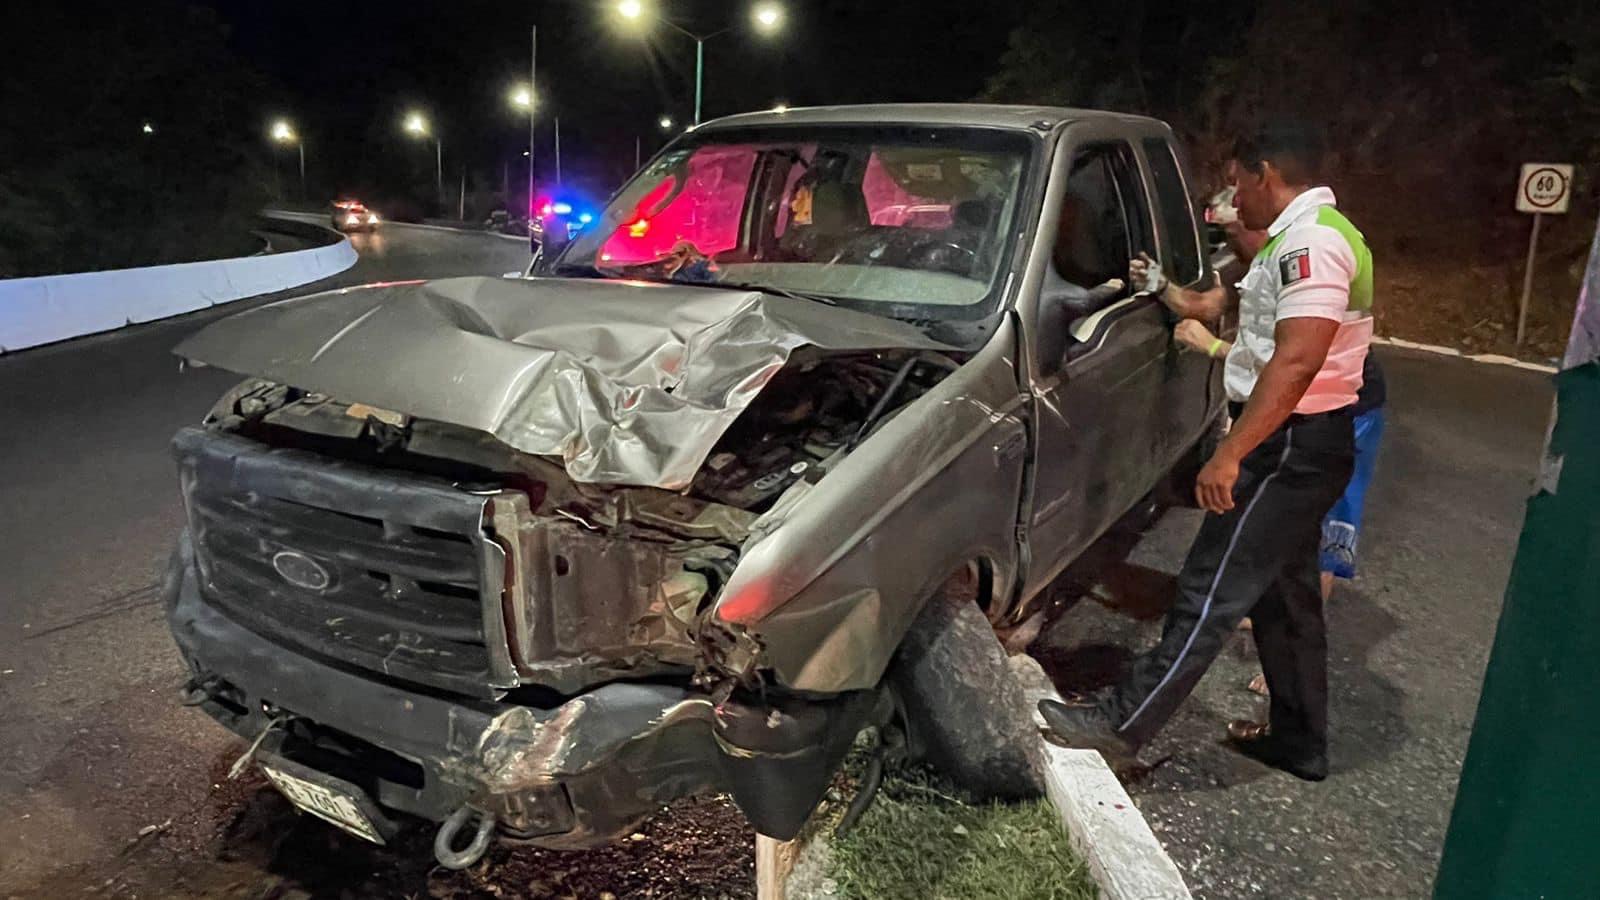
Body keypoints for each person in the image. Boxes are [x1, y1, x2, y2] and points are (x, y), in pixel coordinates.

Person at [1038, 120, 1374, 782]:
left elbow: (1297, 359)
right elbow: (1241, 319)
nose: (1233, 195)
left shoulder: (1312, 244)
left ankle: (1119, 724)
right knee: (1286, 600)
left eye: (1238, 181)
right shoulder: (1309, 238)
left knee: (1209, 590)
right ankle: (1301, 741)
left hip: (1286, 443)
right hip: (1305, 440)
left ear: (1267, 173)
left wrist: (1231, 454)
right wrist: (1163, 289)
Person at [1172, 321, 1388, 695]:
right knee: (1284, 522)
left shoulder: (1313, 272)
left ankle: (1289, 668)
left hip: (1344, 413)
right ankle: (1273, 626)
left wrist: (1212, 347)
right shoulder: (1273, 266)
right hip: (1300, 408)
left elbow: (1294, 363)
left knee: (1322, 532)